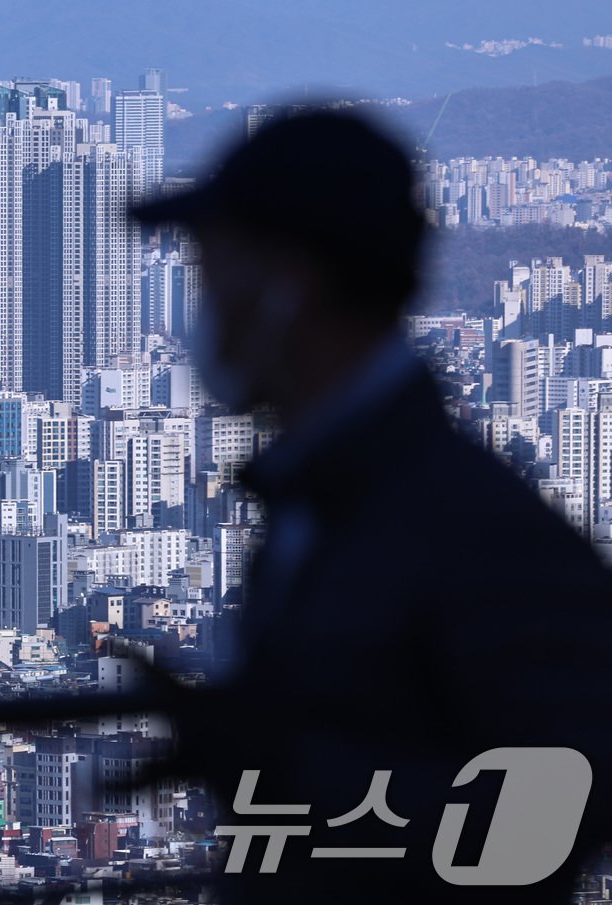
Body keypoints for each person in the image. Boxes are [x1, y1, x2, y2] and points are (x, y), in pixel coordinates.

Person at [130, 109, 612, 903]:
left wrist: (297, 777)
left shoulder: (473, 529)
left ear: (289, 286)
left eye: (213, 272)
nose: (203, 307)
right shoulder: (327, 495)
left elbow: (558, 801)